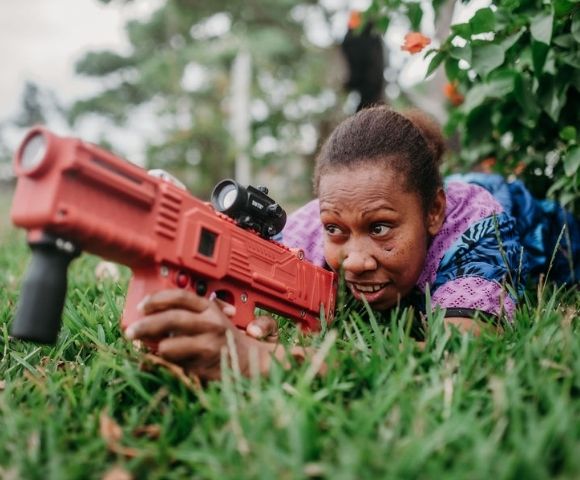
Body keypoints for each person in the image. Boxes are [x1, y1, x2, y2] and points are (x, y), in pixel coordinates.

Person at [125, 106, 574, 381]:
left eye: (380, 228)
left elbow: (460, 356)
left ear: (434, 212)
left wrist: (261, 360)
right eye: (336, 230)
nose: (355, 262)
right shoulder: (315, 225)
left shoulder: (475, 223)